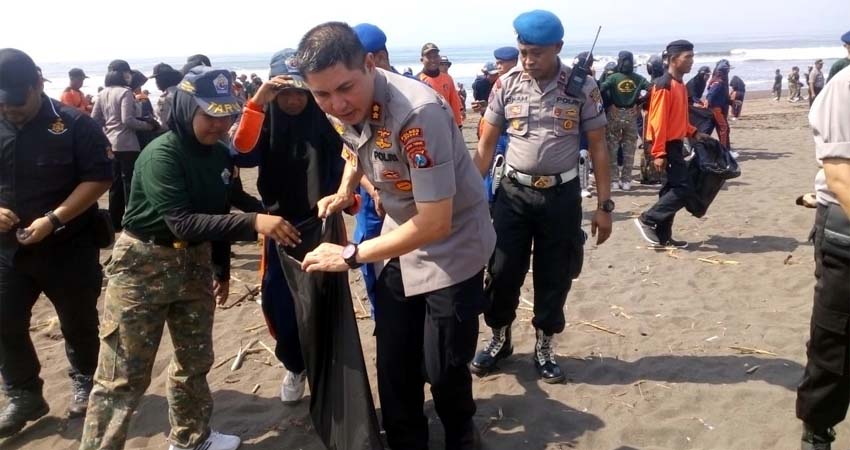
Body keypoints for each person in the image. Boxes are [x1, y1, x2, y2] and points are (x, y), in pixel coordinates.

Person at [296, 22, 496, 450]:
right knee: (394, 359)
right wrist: (346, 188)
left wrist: (350, 254)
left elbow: (435, 224)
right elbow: (357, 144)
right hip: (397, 238)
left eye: (344, 88)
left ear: (370, 64)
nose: (336, 103)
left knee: (444, 366)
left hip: (451, 242)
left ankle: (461, 431)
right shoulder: (340, 105)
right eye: (322, 95)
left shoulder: (417, 113)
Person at [79, 66, 299, 450]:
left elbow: (223, 202)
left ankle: (191, 437)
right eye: (209, 116)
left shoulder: (217, 155)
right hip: (143, 265)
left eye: (226, 115)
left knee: (194, 361)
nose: (219, 125)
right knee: (122, 376)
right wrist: (255, 221)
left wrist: (222, 268)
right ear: (184, 110)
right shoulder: (161, 154)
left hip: (193, 265)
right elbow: (183, 221)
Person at [471, 9, 614, 383]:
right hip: (513, 195)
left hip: (561, 198)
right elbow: (485, 145)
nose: (529, 60)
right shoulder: (506, 85)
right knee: (501, 271)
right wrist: (469, 200)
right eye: (523, 52)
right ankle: (499, 338)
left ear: (558, 48)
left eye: (537, 53)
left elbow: (599, 147)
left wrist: (604, 206)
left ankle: (544, 344)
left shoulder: (582, 88)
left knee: (555, 275)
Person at [0, 48, 112, 437]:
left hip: (68, 245)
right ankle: (24, 393)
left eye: (17, 101)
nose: (10, 110)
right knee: (5, 322)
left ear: (37, 84)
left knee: (78, 321)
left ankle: (85, 378)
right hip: (7, 251)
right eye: (3, 102)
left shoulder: (74, 124)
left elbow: (99, 177)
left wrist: (54, 219)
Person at [230, 48, 345, 403]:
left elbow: (349, 156)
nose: (294, 100)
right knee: (280, 300)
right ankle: (294, 365)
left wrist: (346, 196)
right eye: (285, 92)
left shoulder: (325, 116)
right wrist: (257, 104)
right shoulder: (265, 118)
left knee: (325, 298)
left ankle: (327, 365)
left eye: (300, 90)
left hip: (323, 221)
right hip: (278, 223)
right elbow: (242, 154)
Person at [795, 63, 850, 450]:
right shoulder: (844, 88)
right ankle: (818, 431)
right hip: (845, 232)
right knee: (835, 343)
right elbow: (840, 175)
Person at [634, 40, 711, 249]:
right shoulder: (664, 85)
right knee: (684, 188)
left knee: (669, 188)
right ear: (673, 59)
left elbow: (678, 118)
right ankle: (647, 219)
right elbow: (657, 122)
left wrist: (694, 132)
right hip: (664, 145)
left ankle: (664, 235)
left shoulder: (680, 86)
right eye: (688, 57)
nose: (692, 62)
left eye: (693, 57)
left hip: (675, 143)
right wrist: (658, 152)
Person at [352, 23, 392, 317]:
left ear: (376, 59)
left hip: (411, 198)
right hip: (371, 199)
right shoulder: (353, 100)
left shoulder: (410, 95)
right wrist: (372, 188)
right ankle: (381, 318)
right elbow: (352, 153)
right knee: (370, 258)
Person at [92, 59, 157, 230]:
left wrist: (106, 135)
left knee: (115, 185)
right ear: (123, 74)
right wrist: (149, 125)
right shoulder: (125, 92)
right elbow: (127, 120)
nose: (129, 76)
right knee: (131, 183)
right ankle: (132, 219)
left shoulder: (102, 93)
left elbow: (94, 121)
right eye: (128, 73)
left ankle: (115, 221)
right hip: (127, 143)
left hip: (110, 143)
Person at [600, 50, 650, 191]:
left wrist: (610, 104)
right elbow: (652, 89)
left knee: (612, 148)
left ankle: (614, 181)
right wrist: (639, 103)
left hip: (614, 114)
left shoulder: (614, 77)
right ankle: (626, 181)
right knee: (629, 149)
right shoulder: (638, 78)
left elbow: (601, 89)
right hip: (631, 114)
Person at [418, 43, 465, 128]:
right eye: (429, 57)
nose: (433, 60)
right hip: (427, 126)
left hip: (447, 125)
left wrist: (458, 125)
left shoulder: (447, 78)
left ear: (439, 58)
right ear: (422, 60)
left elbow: (454, 102)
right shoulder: (418, 80)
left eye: (435, 56)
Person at [706, 59, 731, 152]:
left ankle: (725, 148)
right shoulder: (719, 82)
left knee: (719, 128)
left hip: (719, 107)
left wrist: (731, 102)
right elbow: (711, 94)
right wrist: (707, 102)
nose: (728, 72)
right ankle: (723, 150)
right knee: (723, 127)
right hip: (716, 108)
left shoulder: (717, 80)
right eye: (727, 70)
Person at [149, 63, 182, 130]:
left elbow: (165, 125)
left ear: (163, 80)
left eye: (157, 79)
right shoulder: (184, 92)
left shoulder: (165, 99)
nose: (156, 82)